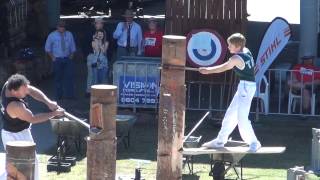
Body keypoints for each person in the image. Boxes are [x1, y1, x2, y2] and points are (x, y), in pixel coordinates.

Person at [199, 33, 261, 152]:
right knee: (230, 114)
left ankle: (254, 142)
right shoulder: (246, 50)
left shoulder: (236, 58)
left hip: (246, 88)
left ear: (238, 46)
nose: (228, 47)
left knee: (242, 119)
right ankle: (220, 140)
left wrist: (207, 71)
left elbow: (223, 67)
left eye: (230, 45)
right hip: (244, 86)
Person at [0, 74, 65, 180]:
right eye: (24, 91)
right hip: (14, 136)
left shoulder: (11, 84)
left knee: (27, 165)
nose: (27, 92)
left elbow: (31, 90)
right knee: (23, 166)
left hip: (20, 130)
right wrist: (54, 113)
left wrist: (48, 103)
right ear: (14, 91)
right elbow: (33, 119)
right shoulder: (15, 106)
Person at [45, 20, 76, 100]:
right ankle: (59, 95)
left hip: (67, 58)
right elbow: (47, 48)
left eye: (63, 27)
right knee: (58, 78)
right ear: (57, 27)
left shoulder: (69, 34)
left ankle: (70, 95)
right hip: (57, 59)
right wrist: (53, 57)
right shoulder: (52, 35)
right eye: (60, 26)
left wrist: (71, 56)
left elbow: (73, 46)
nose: (62, 28)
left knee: (69, 77)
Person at [86, 29, 109, 96]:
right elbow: (96, 49)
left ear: (103, 35)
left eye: (101, 34)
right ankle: (95, 95)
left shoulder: (106, 42)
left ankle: (103, 95)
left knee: (103, 79)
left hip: (104, 62)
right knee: (95, 79)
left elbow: (104, 51)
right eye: (98, 34)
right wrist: (97, 40)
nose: (100, 35)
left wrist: (101, 43)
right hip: (95, 61)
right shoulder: (93, 42)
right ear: (96, 35)